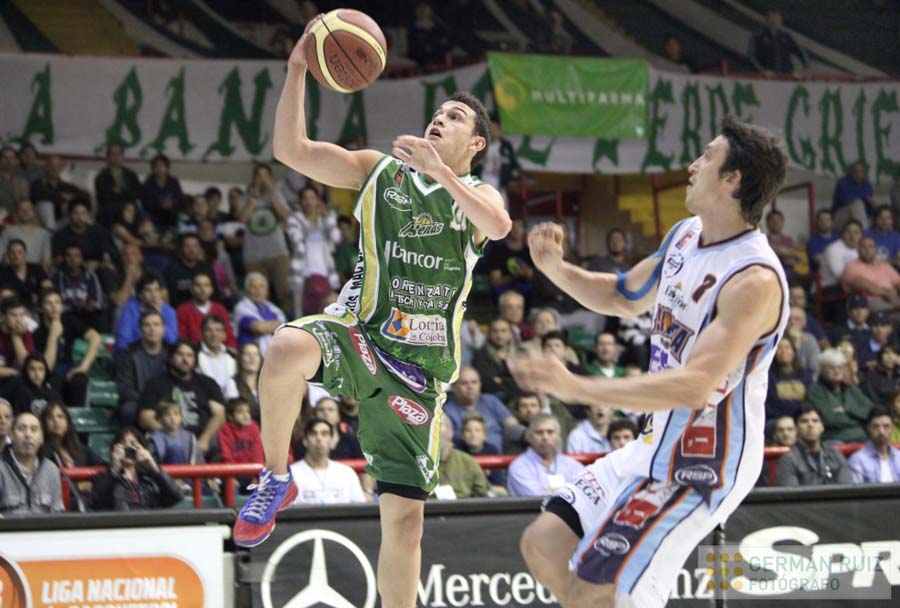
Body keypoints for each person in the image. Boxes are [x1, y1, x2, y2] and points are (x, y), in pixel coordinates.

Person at [233, 23, 512, 608]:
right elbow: (291, 151)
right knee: (284, 346)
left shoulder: (477, 196)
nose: (440, 120)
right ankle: (277, 477)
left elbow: (499, 224)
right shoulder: (380, 172)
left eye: (456, 117)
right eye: (438, 113)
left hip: (421, 372)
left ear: (476, 144)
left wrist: (441, 173)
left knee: (405, 522)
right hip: (361, 336)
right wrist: (297, 69)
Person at [510, 115, 790, 608]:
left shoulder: (754, 279)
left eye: (707, 157)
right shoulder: (685, 236)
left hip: (703, 463)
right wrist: (557, 269)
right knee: (544, 545)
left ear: (732, 179)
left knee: (595, 589)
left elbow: (694, 386)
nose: (692, 165)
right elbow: (623, 296)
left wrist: (577, 387)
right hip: (653, 442)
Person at [137, 340, 226, 455]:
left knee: (219, 443)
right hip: (168, 437)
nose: (185, 359)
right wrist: (172, 435)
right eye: (180, 354)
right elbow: (145, 418)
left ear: (194, 360)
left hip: (202, 439)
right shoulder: (156, 383)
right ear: (171, 358)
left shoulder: (207, 383)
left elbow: (219, 415)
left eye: (189, 355)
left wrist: (205, 439)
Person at [34, 288, 101, 407]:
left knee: (80, 380)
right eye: (49, 303)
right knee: (52, 381)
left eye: (57, 302)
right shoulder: (37, 333)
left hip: (68, 369)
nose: (54, 307)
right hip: (50, 374)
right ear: (41, 307)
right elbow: (47, 367)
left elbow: (95, 337)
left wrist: (83, 366)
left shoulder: (69, 321)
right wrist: (53, 336)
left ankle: (79, 415)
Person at [238, 163, 292, 312]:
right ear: (253, 178)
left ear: (271, 178)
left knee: (284, 292)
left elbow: (285, 216)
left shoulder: (278, 195)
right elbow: (242, 218)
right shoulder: (245, 198)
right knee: (257, 295)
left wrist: (272, 193)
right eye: (259, 176)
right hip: (253, 255)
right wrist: (254, 197)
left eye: (265, 176)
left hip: (278, 253)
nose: (262, 180)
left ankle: (288, 320)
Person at [89, 427, 182, 511]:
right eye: (122, 444)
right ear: (114, 449)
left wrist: (153, 466)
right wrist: (114, 470)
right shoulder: (105, 477)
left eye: (133, 444)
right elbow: (95, 502)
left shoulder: (150, 479)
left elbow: (176, 496)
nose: (128, 448)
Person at [285, 186, 341, 316]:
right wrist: (311, 221)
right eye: (305, 198)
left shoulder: (326, 218)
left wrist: (327, 219)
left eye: (312, 198)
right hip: (302, 275)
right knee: (300, 315)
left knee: (327, 313)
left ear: (317, 201)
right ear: (300, 202)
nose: (308, 201)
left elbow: (336, 238)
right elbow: (296, 239)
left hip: (326, 273)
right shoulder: (295, 219)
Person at [290, 418, 366, 504]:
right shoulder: (292, 474)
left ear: (332, 440)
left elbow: (359, 508)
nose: (319, 438)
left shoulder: (347, 473)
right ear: (305, 440)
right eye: (313, 433)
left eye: (324, 434)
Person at [0, 412, 64, 513]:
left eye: (34, 430)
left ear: (41, 438)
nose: (28, 435)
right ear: (11, 435)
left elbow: (57, 513)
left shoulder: (51, 469)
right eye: (21, 429)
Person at [444, 367, 520, 452]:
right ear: (454, 387)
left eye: (474, 382)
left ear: (480, 384)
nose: (470, 387)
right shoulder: (447, 410)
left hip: (498, 457)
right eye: (464, 383)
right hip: (464, 456)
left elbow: (512, 426)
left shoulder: (491, 401)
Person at [507, 413, 584, 497]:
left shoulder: (571, 464)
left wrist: (548, 490)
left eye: (550, 432)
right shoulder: (519, 467)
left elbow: (584, 492)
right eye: (539, 432)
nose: (545, 437)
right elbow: (536, 498)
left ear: (559, 437)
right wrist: (567, 489)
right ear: (529, 438)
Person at [807, 348, 873, 443]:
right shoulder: (815, 391)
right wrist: (859, 417)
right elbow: (829, 418)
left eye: (840, 367)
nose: (837, 371)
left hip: (862, 438)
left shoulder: (852, 389)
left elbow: (870, 411)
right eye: (831, 368)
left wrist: (847, 409)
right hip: (833, 439)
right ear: (822, 369)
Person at [776, 404, 851, 486]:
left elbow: (845, 489)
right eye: (804, 421)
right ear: (796, 428)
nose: (810, 425)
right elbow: (791, 493)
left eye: (815, 421)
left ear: (822, 427)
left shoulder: (835, 455)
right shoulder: (788, 460)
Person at [115, 310, 167, 427]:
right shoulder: (128, 354)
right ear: (140, 329)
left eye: (156, 324)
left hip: (164, 402)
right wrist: (147, 401)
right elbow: (124, 387)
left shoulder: (171, 354)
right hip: (138, 402)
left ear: (163, 329)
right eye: (147, 325)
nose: (152, 329)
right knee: (128, 409)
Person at [114, 271, 178, 353]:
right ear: (140, 294)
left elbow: (173, 341)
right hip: (133, 354)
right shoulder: (129, 309)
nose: (154, 295)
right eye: (148, 290)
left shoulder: (168, 311)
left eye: (157, 290)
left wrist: (159, 316)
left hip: (159, 355)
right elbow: (122, 342)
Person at [51, 242, 107, 331]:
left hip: (88, 314)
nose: (73, 259)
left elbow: (98, 302)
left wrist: (87, 305)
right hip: (66, 316)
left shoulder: (90, 275)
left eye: (77, 256)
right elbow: (56, 301)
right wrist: (74, 305)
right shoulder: (57, 277)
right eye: (69, 256)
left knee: (99, 316)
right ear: (64, 258)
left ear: (82, 258)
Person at [433, 415, 488, 499]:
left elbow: (482, 496)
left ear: (450, 432)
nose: (433, 432)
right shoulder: (418, 463)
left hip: (465, 506)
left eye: (438, 425)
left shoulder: (468, 462)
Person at [176, 272, 236, 349]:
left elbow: (229, 336)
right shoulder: (183, 310)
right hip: (195, 352)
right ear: (191, 289)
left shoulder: (220, 309)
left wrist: (231, 351)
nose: (203, 289)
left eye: (206, 285)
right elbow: (182, 339)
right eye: (198, 285)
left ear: (211, 289)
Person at [765, 336, 812, 431]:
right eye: (779, 348)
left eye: (787, 347)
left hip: (801, 418)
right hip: (776, 419)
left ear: (793, 352)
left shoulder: (804, 375)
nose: (783, 351)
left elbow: (809, 401)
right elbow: (769, 405)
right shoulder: (768, 376)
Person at [233, 272, 285, 357]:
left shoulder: (274, 309)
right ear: (247, 290)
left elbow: (285, 328)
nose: (258, 290)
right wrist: (276, 325)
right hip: (251, 356)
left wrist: (269, 327)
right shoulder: (241, 308)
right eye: (253, 287)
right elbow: (259, 328)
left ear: (267, 291)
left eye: (261, 286)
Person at [841, 236, 900, 311]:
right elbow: (862, 283)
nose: (867, 250)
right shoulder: (851, 265)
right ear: (858, 249)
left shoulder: (883, 264)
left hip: (894, 297)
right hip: (870, 299)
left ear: (876, 250)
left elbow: (898, 282)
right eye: (863, 247)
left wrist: (896, 291)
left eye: (871, 246)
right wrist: (885, 293)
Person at [164, 233, 219, 308]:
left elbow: (215, 294)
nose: (191, 249)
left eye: (195, 246)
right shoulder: (171, 270)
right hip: (180, 311)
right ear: (181, 248)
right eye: (187, 246)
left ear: (199, 248)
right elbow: (170, 299)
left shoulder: (206, 268)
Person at [748, 8, 808, 76]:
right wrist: (761, 70)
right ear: (767, 20)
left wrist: (807, 67)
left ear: (781, 20)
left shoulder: (787, 37)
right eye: (771, 18)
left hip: (786, 77)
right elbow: (751, 56)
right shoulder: (757, 36)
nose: (774, 21)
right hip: (765, 78)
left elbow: (801, 51)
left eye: (777, 19)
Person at [471, 317, 519, 402]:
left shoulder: (520, 353)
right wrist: (511, 381)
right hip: (492, 399)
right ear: (489, 334)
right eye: (495, 331)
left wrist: (500, 380)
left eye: (503, 331)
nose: (499, 335)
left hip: (519, 399)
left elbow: (523, 382)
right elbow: (487, 383)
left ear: (511, 333)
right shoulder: (481, 355)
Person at [30, 154, 83, 230]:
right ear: (45, 167)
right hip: (43, 224)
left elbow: (83, 195)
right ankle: (51, 232)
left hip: (63, 222)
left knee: (82, 211)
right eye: (51, 166)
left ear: (61, 168)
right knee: (45, 204)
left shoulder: (67, 186)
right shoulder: (38, 184)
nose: (54, 169)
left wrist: (69, 202)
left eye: (57, 166)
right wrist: (62, 197)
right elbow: (38, 195)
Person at [95, 143, 141, 228]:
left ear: (122, 156)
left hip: (129, 206)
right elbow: (102, 198)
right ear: (108, 157)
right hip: (110, 208)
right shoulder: (102, 176)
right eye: (112, 154)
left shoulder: (131, 174)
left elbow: (137, 193)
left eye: (118, 154)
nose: (116, 157)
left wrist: (124, 192)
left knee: (137, 210)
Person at [848, 408, 900, 483]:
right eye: (876, 427)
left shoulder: (899, 456)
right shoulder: (858, 459)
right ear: (869, 428)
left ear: (893, 428)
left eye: (886, 426)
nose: (881, 431)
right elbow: (855, 489)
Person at [458, 411, 506, 491]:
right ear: (462, 435)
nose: (473, 434)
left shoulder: (492, 451)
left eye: (477, 430)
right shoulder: (457, 451)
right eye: (468, 431)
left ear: (484, 435)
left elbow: (500, 487)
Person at [0, 238, 52, 308]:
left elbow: (48, 286)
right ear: (8, 255)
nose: (16, 256)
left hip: (38, 307)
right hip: (15, 309)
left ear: (25, 254)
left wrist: (39, 295)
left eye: (20, 252)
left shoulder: (37, 269)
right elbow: (5, 295)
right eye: (12, 253)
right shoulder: (3, 274)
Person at [0, 199, 52, 268]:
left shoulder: (44, 233)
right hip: (11, 270)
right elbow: (1, 254)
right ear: (16, 213)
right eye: (21, 209)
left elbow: (46, 260)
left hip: (35, 271)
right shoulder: (7, 231)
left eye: (28, 209)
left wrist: (41, 273)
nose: (25, 211)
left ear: (34, 212)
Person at [148, 400, 201, 465]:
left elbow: (197, 460)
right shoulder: (155, 438)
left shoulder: (190, 437)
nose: (173, 418)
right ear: (160, 419)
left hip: (187, 470)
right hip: (163, 470)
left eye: (176, 414)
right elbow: (151, 462)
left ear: (181, 417)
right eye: (167, 415)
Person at [140, 153, 182, 229]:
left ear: (167, 168)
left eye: (162, 166)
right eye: (156, 166)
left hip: (171, 213)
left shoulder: (173, 182)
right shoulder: (148, 183)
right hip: (154, 213)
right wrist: (160, 204)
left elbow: (180, 198)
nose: (159, 169)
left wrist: (172, 202)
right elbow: (145, 201)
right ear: (153, 169)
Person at [197, 315, 237, 394]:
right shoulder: (194, 355)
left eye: (218, 330)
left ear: (224, 335)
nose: (214, 334)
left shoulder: (233, 356)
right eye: (209, 330)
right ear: (202, 334)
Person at [218, 398, 265, 465]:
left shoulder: (254, 429)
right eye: (240, 412)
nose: (245, 415)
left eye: (248, 412)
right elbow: (226, 454)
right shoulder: (225, 430)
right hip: (232, 469)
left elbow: (258, 453)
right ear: (230, 416)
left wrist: (256, 469)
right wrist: (232, 470)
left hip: (253, 469)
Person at [832, 161, 875, 229]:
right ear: (851, 172)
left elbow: (870, 202)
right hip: (840, 217)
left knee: (875, 213)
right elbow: (847, 200)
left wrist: (871, 203)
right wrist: (864, 197)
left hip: (860, 217)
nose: (859, 174)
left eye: (861, 171)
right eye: (856, 171)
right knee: (857, 204)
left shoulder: (866, 184)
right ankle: (864, 233)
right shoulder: (843, 183)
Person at [765, 209, 805, 277]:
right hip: (771, 276)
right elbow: (779, 252)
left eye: (778, 220)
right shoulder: (763, 240)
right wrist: (792, 253)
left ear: (782, 222)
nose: (775, 223)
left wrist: (781, 254)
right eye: (772, 220)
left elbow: (795, 260)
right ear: (767, 223)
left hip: (791, 276)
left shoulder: (789, 240)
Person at [0, 146, 29, 216]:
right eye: (5, 157)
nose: (8, 160)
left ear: (16, 160)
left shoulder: (22, 180)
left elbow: (24, 201)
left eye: (11, 158)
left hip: (17, 214)